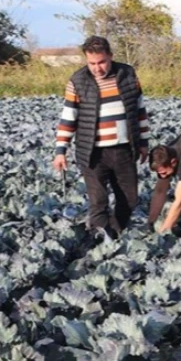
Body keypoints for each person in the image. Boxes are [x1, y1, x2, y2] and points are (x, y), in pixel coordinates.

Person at [52, 35, 151, 239]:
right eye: (92, 63)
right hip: (93, 152)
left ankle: (113, 234)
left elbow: (139, 110)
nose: (97, 68)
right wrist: (61, 151)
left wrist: (143, 142)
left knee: (130, 199)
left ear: (111, 56)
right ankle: (100, 241)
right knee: (98, 201)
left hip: (124, 148)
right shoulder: (78, 81)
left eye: (102, 62)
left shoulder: (128, 74)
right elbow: (68, 117)